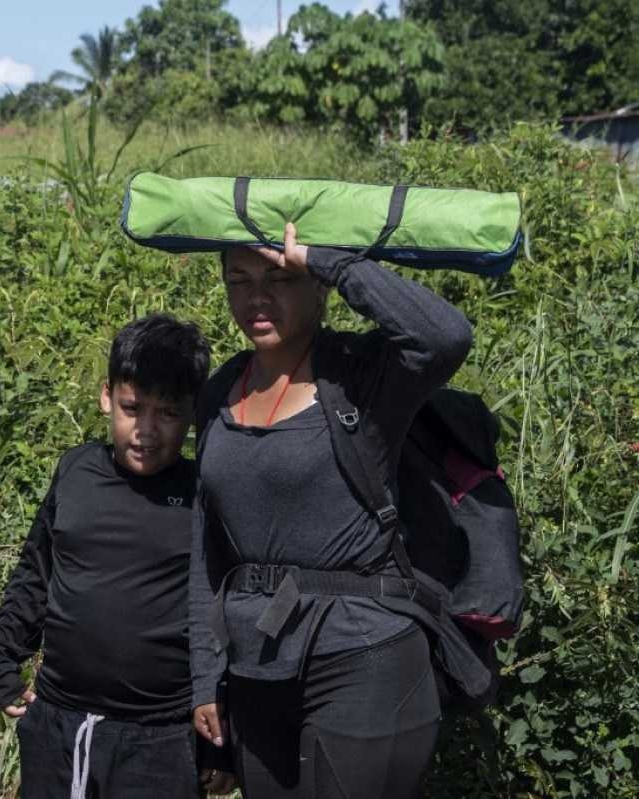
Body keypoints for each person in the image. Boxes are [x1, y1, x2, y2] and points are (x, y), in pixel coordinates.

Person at [189, 223, 473, 798]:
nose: (256, 298)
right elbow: (206, 550)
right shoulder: (221, 389)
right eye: (238, 280)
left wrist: (333, 262)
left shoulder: (362, 374)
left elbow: (445, 337)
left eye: (279, 278)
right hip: (256, 664)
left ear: (316, 287)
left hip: (365, 652)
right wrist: (204, 676)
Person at [0, 314, 231, 799]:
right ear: (106, 397)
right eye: (132, 408)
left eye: (168, 413)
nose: (147, 430)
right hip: (57, 726)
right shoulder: (75, 471)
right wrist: (0, 660)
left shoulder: (205, 492)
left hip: (160, 740)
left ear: (193, 413)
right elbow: (36, 572)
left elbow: (224, 616)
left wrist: (221, 741)